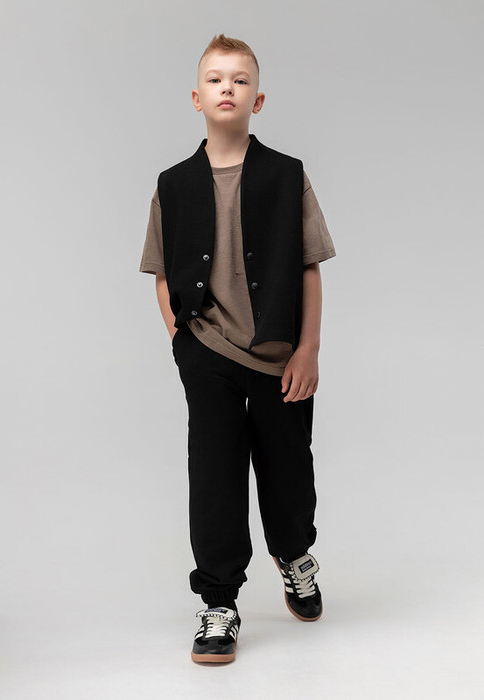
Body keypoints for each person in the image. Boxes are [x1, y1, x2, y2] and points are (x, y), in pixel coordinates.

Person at [139, 33, 336, 664]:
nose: (228, 88)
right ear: (197, 98)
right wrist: (181, 340)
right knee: (215, 478)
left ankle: (294, 554)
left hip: (279, 356)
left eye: (241, 80)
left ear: (258, 99)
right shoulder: (173, 184)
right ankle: (218, 600)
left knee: (288, 471)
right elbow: (161, 270)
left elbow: (308, 267)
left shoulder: (287, 176)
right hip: (207, 355)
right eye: (216, 79)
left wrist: (308, 348)